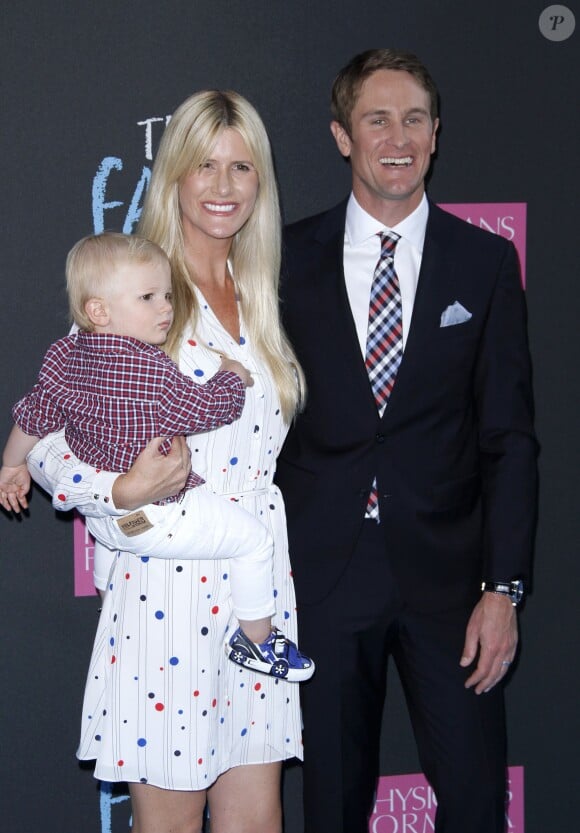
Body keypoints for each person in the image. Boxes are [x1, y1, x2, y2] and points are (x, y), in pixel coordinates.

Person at [16, 90, 307, 833]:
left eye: (241, 166)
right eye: (203, 164)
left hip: (255, 598)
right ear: (172, 172)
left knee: (256, 823)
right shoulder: (137, 291)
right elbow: (47, 436)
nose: (222, 185)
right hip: (167, 600)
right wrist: (116, 487)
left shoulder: (259, 292)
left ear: (260, 183)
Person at [275, 48, 538, 833]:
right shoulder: (285, 259)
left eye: (415, 118)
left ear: (436, 132)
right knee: (331, 805)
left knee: (471, 803)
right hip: (321, 578)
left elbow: (511, 439)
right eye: (377, 118)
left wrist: (505, 588)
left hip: (452, 588)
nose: (399, 136)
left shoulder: (485, 261)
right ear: (341, 135)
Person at [0, 231, 313, 683]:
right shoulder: (150, 370)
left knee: (110, 543)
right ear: (98, 310)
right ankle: (258, 640)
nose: (166, 307)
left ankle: (112, 604)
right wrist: (231, 376)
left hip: (110, 526)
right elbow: (207, 409)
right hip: (160, 516)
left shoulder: (64, 355)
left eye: (167, 295)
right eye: (148, 298)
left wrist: (11, 465)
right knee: (255, 541)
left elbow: (33, 416)